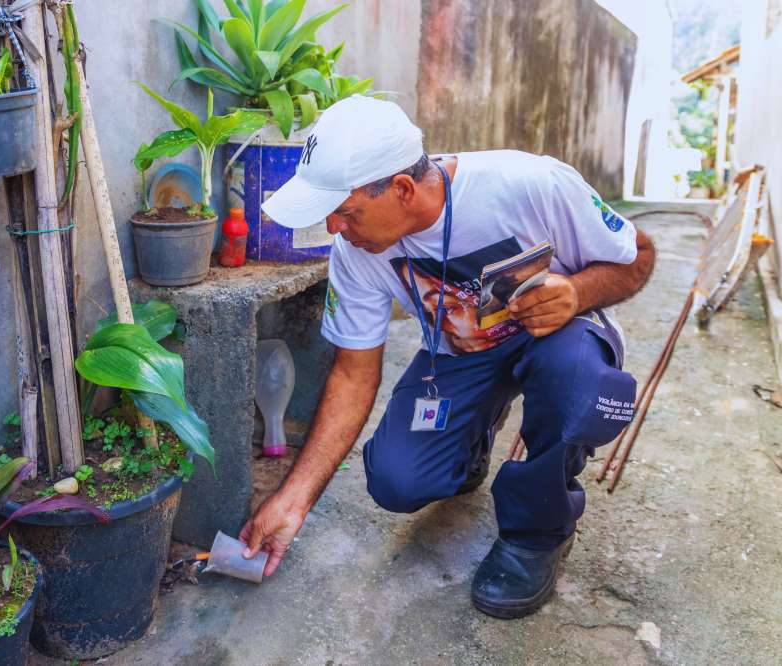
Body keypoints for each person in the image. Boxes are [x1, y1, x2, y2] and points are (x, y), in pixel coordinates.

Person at [239, 95, 656, 619]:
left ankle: (536, 533)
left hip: (558, 333)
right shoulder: (356, 251)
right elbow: (351, 373)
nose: (333, 229)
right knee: (396, 479)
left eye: (344, 212)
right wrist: (293, 500)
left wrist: (576, 292)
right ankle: (471, 442)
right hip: (460, 355)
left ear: (403, 189)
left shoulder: (530, 184)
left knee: (577, 387)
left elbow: (639, 256)